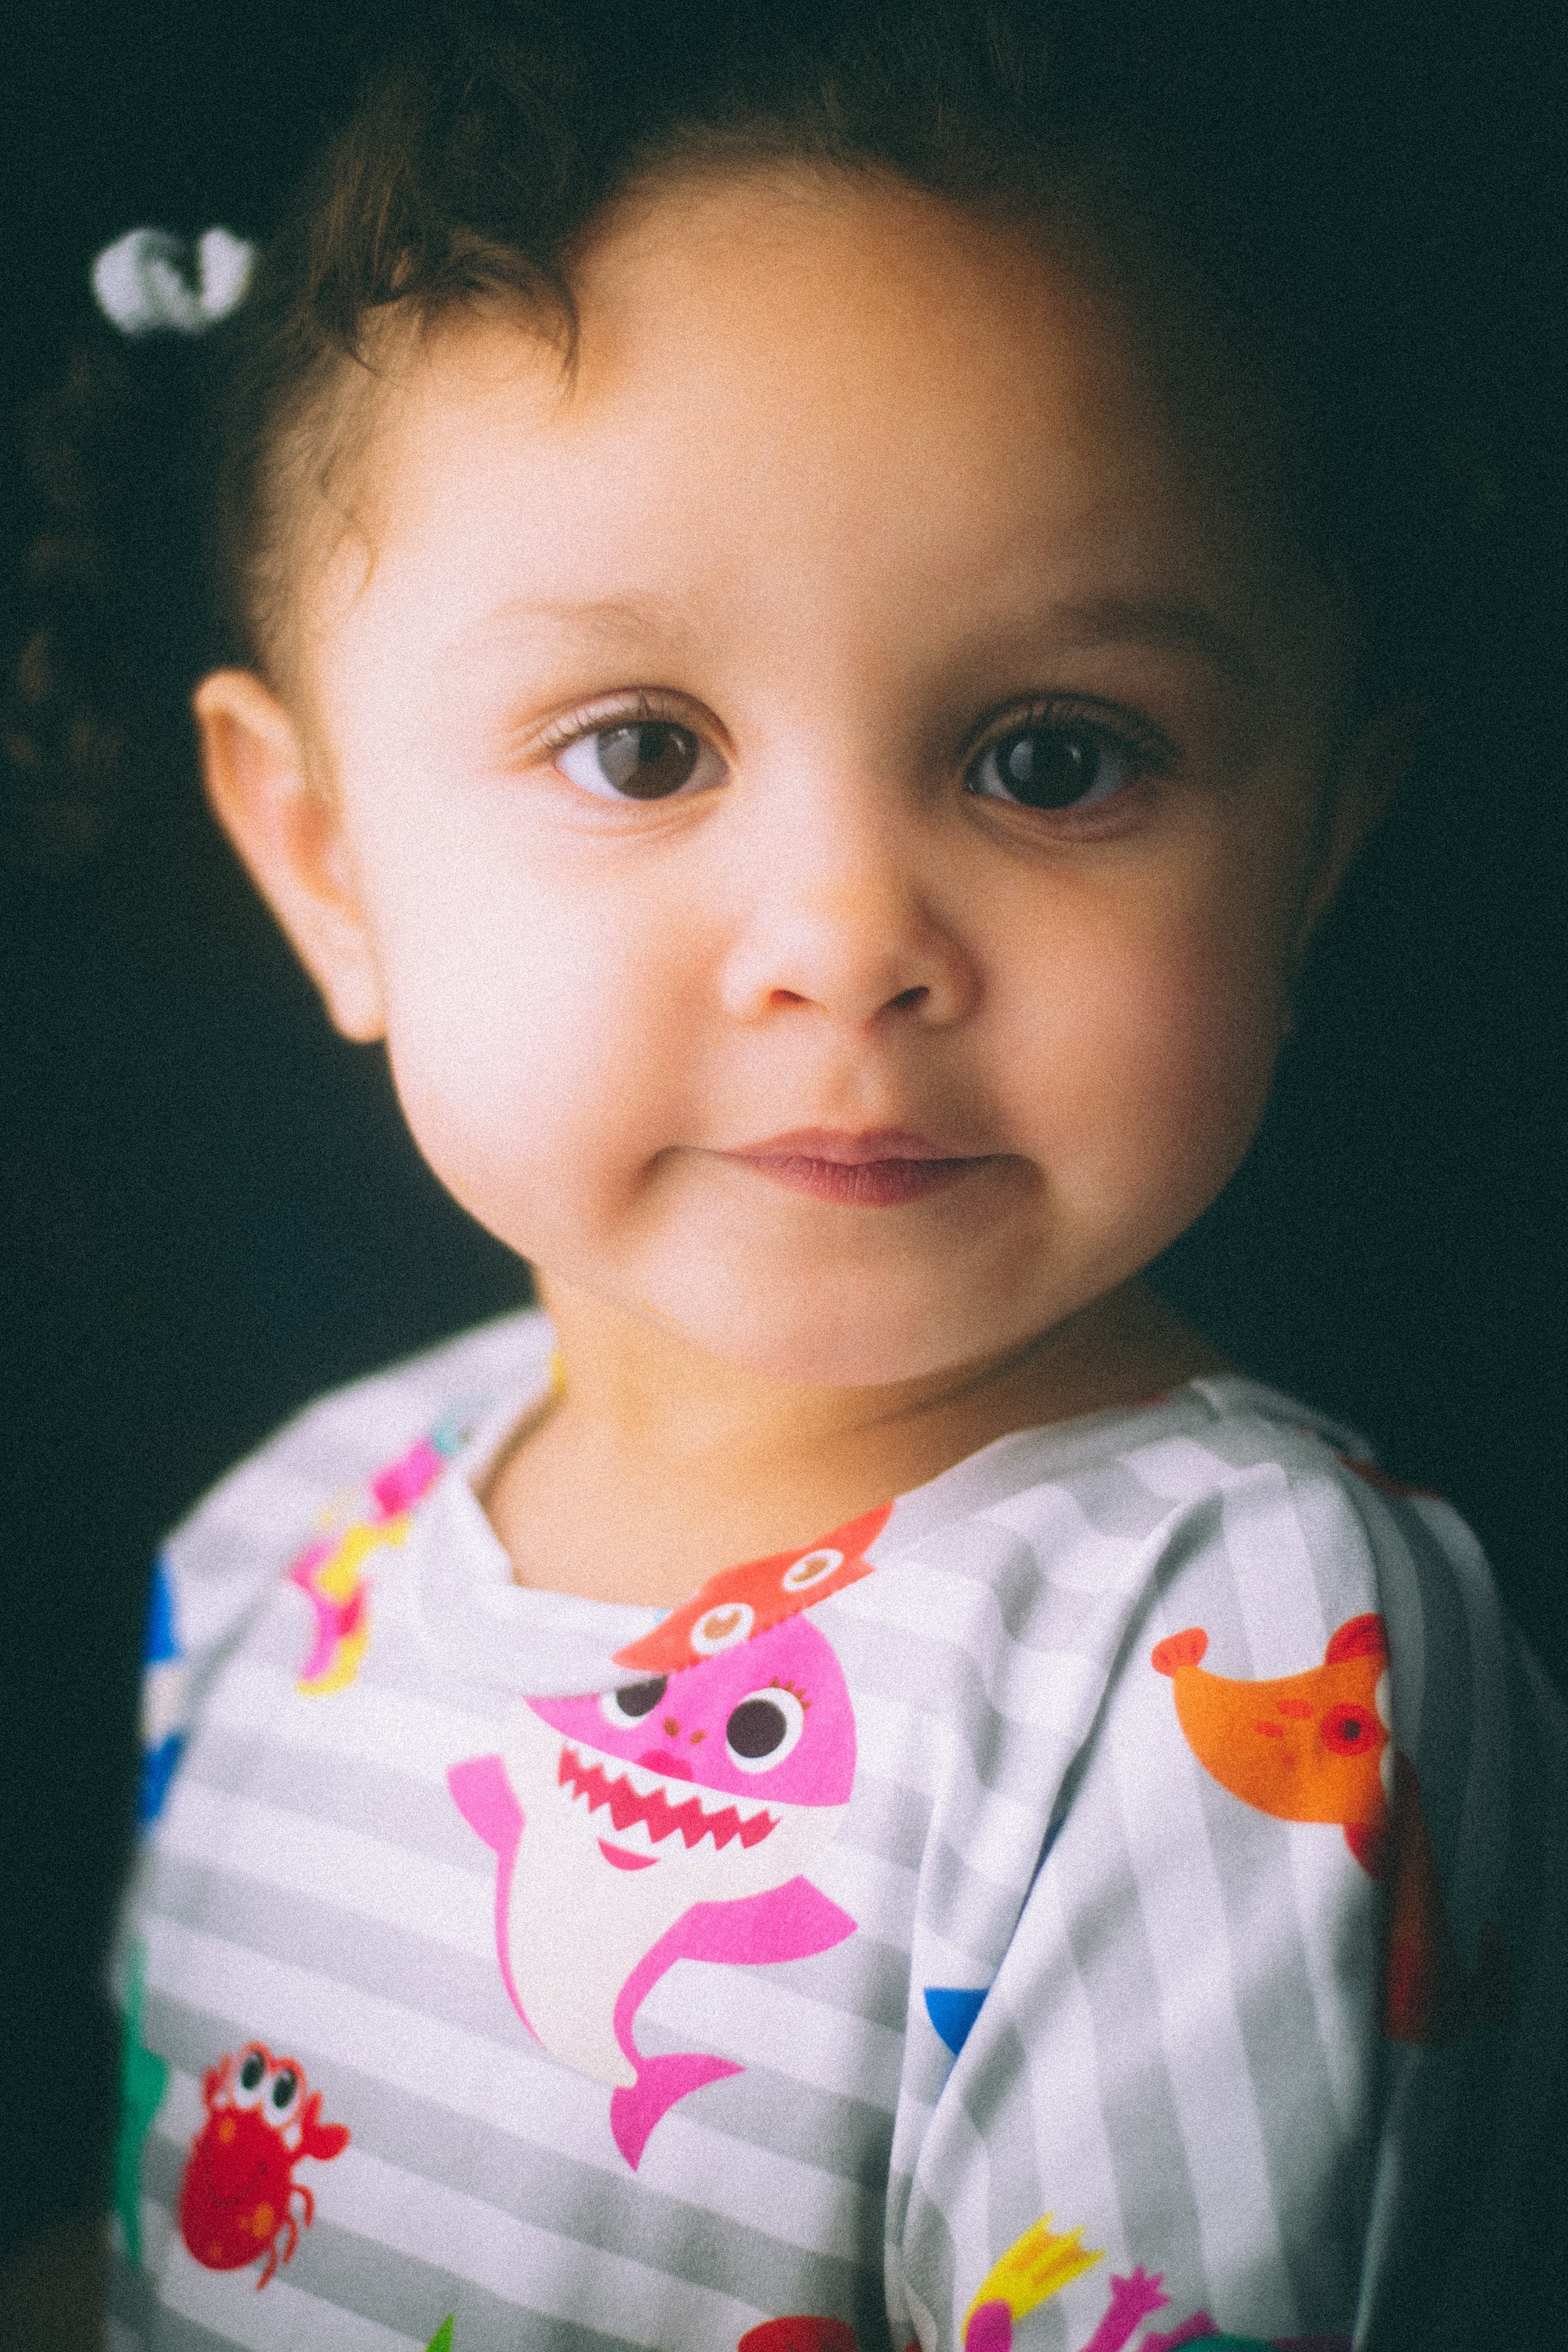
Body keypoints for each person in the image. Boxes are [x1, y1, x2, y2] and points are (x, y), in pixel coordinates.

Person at [58, 2, 1565, 2346]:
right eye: (641, 747)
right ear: (327, 862)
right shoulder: (286, 1545)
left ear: (1313, 847)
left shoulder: (1233, 1650)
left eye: (1053, 757)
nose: (850, 941)